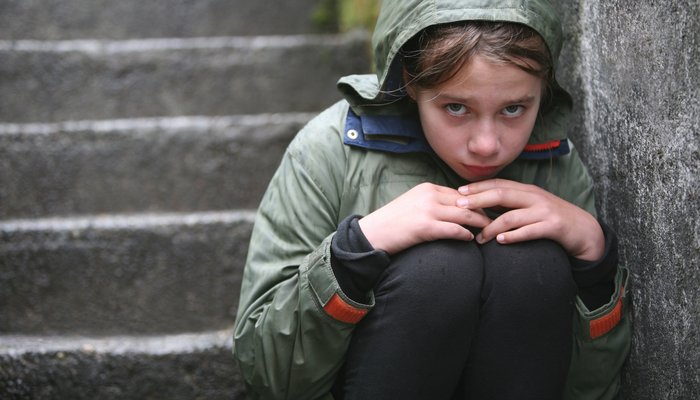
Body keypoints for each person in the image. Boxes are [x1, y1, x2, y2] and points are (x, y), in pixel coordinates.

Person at [233, 0, 631, 399]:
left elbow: (589, 390)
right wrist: (354, 253)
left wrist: (594, 263)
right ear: (411, 82)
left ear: (542, 92)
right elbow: (268, 377)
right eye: (456, 107)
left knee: (532, 262)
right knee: (439, 269)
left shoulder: (555, 161)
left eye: (514, 109)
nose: (486, 145)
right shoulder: (330, 149)